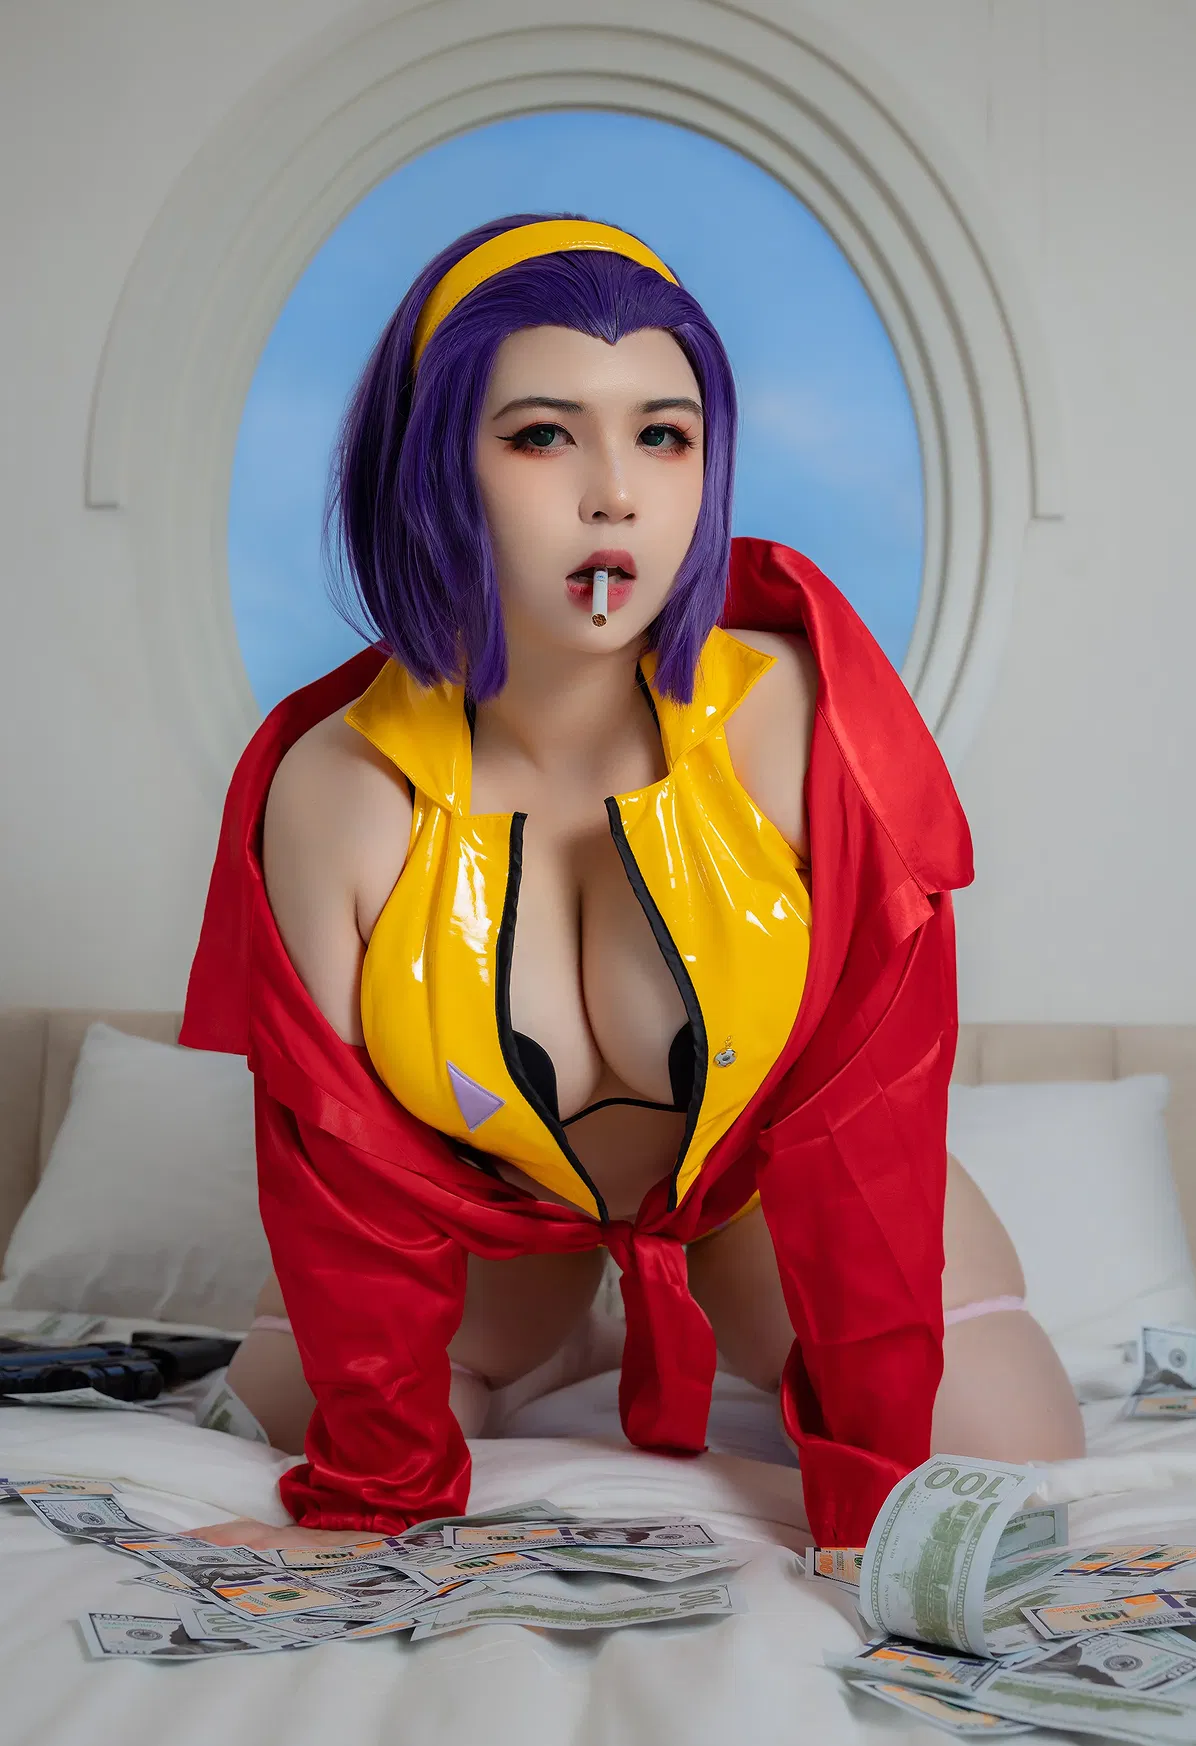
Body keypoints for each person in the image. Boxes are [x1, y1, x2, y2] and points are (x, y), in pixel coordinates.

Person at [180, 214, 1082, 1553]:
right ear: (430, 466)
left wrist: (867, 1476)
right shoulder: (338, 790)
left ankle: (671, 1326)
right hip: (491, 1224)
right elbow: (340, 1165)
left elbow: (870, 1098)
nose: (616, 495)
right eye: (543, 435)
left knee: (1006, 1468)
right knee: (275, 1428)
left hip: (782, 1203)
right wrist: (377, 1482)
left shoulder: (800, 718)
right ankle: (569, 1330)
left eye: (664, 435)